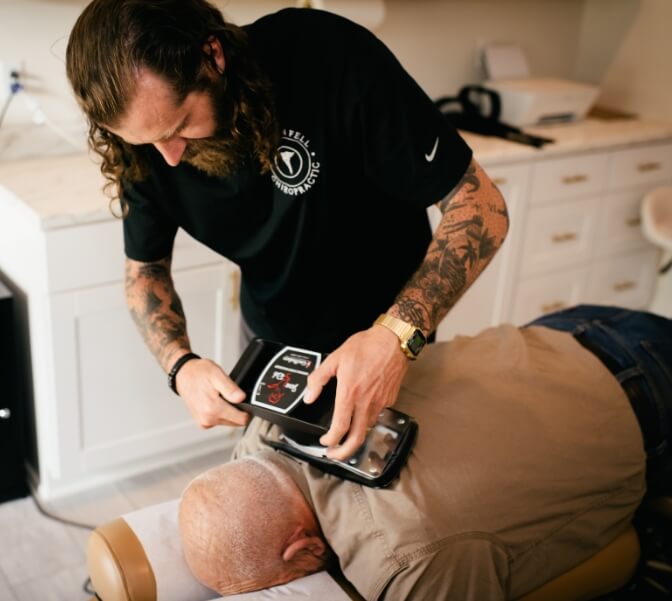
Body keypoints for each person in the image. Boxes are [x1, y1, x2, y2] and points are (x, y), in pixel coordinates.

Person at [65, 0, 509, 460]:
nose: (170, 157)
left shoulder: (323, 54)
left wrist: (396, 338)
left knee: (392, 479)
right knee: (276, 483)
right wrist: (180, 367)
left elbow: (481, 205)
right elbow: (145, 271)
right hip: (271, 344)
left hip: (386, 334)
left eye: (179, 126)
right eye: (147, 141)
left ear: (212, 56)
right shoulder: (145, 146)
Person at [177, 305, 672, 600]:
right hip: (564, 330)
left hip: (653, 396)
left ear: (302, 550)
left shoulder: (409, 565)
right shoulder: (268, 420)